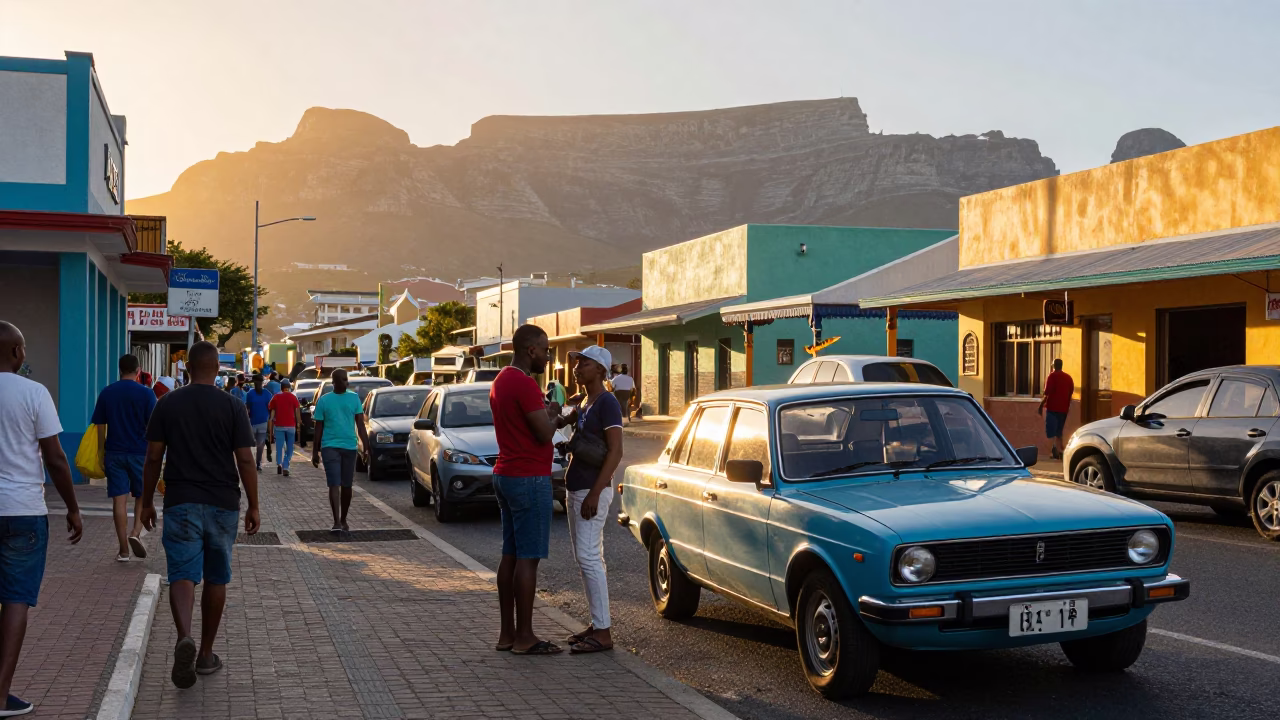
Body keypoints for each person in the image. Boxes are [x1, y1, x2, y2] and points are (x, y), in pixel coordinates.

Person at [140, 341, 259, 689]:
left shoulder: (167, 403)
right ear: (217, 370)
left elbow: (153, 457)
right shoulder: (233, 405)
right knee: (216, 577)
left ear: (188, 368)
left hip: (180, 501)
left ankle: (184, 636)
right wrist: (254, 504)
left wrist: (146, 502)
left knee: (182, 573)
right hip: (223, 503)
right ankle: (205, 655)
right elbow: (245, 459)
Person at [0, 321, 82, 717]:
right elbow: (55, 458)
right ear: (16, 352)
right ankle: (1, 696)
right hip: (24, 511)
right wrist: (73, 507)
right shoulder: (34, 393)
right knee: (16, 601)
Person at [490, 324, 563, 655]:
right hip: (528, 477)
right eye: (546, 350)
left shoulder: (501, 380)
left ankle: (507, 634)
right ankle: (525, 637)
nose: (548, 356)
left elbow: (526, 424)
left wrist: (548, 417)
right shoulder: (524, 383)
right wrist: (556, 416)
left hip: (506, 473)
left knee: (510, 555)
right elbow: (544, 433)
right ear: (530, 350)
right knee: (528, 560)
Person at [555, 346, 624, 654]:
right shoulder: (584, 402)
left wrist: (595, 492)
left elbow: (616, 451)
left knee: (589, 558)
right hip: (577, 488)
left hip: (591, 491)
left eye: (584, 363)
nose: (577, 367)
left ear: (600, 370)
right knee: (587, 558)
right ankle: (597, 624)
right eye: (577, 362)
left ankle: (604, 633)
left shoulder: (607, 403)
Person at [91, 354, 158, 562]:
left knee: (119, 500)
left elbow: (100, 425)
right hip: (140, 452)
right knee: (141, 495)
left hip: (114, 452)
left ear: (120, 370)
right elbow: (153, 427)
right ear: (138, 371)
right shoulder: (147, 394)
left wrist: (101, 451)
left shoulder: (107, 392)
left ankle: (123, 550)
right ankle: (135, 533)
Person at [310, 369, 369, 532]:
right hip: (330, 447)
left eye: (346, 379)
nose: (346, 382)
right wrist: (315, 451)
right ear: (334, 382)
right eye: (342, 379)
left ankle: (344, 519)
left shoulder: (354, 398)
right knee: (334, 484)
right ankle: (336, 521)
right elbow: (318, 427)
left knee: (347, 485)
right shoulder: (324, 400)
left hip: (349, 447)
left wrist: (366, 447)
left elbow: (360, 425)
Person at [1038, 358, 1075, 460]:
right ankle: (1059, 450)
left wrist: (1041, 405)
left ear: (1054, 366)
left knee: (1051, 431)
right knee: (1059, 430)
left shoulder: (1052, 376)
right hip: (1064, 409)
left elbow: (1047, 392)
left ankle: (1052, 451)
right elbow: (1071, 391)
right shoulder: (1068, 377)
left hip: (1052, 408)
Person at [268, 379, 302, 477]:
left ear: (281, 388)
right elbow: (297, 412)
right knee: (290, 447)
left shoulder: (276, 397)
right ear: (289, 388)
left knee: (279, 447)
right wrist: (299, 423)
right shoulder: (293, 397)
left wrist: (271, 422)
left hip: (279, 426)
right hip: (291, 426)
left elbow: (272, 411)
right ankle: (286, 466)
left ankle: (279, 463)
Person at [243, 374, 275, 472]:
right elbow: (247, 408)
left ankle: (258, 463)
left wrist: (271, 422)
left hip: (262, 423)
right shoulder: (250, 394)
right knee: (250, 444)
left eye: (259, 382)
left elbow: (271, 409)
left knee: (260, 444)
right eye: (256, 382)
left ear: (261, 383)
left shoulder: (267, 394)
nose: (258, 384)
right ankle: (251, 462)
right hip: (252, 423)